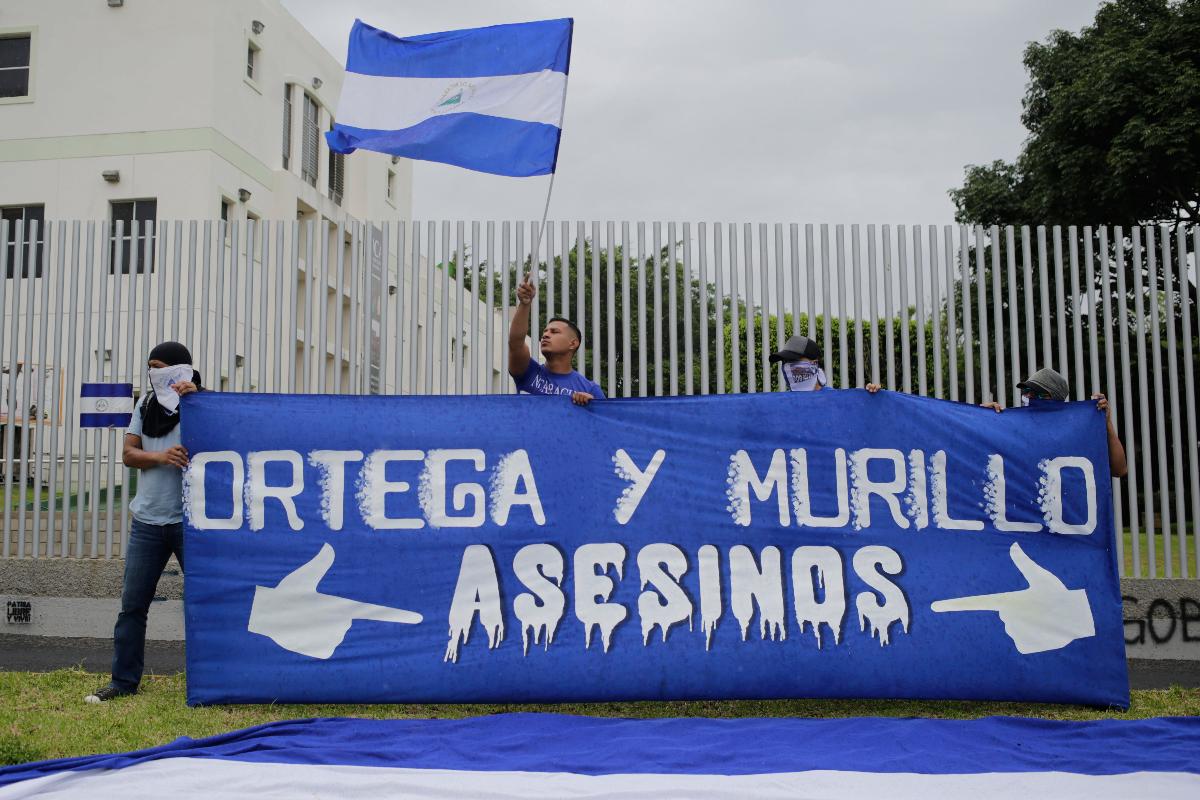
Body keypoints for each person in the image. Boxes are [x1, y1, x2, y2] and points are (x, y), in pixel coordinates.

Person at [85, 342, 200, 703]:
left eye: (161, 367)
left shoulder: (203, 404)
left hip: (191, 523)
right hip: (148, 522)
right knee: (133, 605)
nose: (154, 373)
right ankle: (123, 682)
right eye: (151, 367)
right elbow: (129, 454)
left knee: (205, 604)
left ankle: (211, 680)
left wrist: (200, 402)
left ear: (182, 369)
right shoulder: (145, 405)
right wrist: (161, 456)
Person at [981, 367, 1128, 478]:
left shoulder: (1077, 431)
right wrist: (983, 419)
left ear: (1057, 401)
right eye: (1026, 391)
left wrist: (1106, 423)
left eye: (1038, 393)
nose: (1029, 396)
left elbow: (1119, 469)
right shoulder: (1011, 427)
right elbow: (978, 453)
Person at [508, 273, 604, 405]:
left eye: (554, 332)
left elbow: (603, 423)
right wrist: (525, 305)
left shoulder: (590, 389)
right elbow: (515, 343)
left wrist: (592, 406)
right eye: (545, 331)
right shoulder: (528, 372)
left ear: (573, 344)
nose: (545, 335)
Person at [769, 335, 881, 393]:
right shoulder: (782, 404)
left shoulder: (837, 400)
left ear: (814, 364)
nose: (787, 366)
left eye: (794, 360)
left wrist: (869, 398)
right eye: (785, 361)